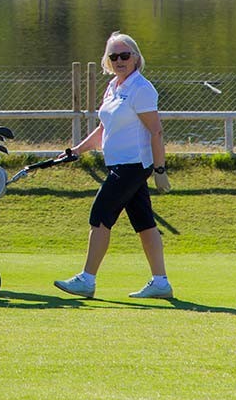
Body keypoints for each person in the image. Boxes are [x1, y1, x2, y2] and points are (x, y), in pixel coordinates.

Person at [54, 31, 173, 300]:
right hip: (118, 164)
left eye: (125, 55)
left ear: (136, 58)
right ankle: (161, 282)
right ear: (108, 61)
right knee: (144, 223)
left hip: (133, 165)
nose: (119, 60)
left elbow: (156, 132)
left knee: (100, 215)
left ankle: (87, 279)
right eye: (114, 56)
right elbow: (103, 129)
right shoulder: (114, 87)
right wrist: (77, 151)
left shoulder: (141, 89)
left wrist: (160, 170)